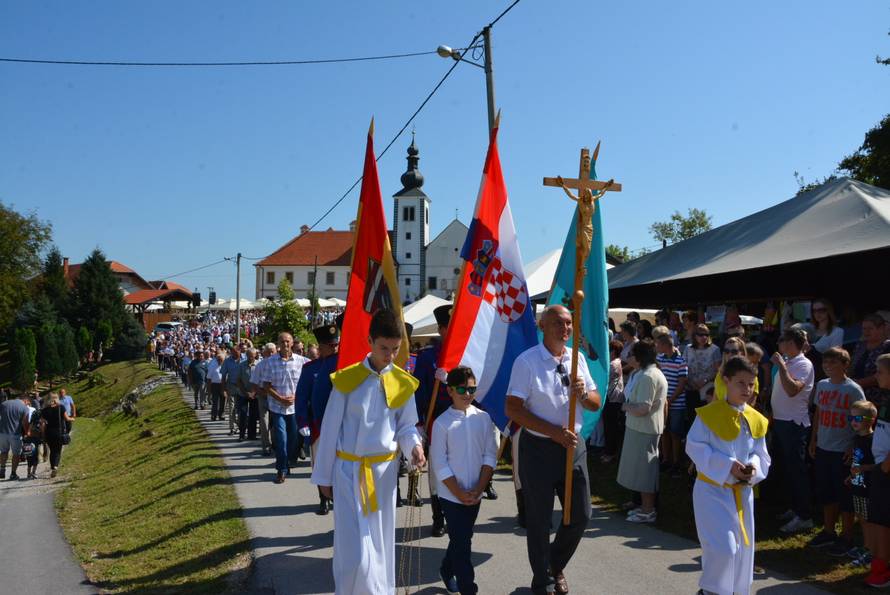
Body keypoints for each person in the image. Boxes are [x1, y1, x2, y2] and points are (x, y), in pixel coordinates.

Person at [310, 309, 425, 595]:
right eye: (383, 348)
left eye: (395, 349)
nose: (389, 355)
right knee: (355, 550)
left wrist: (415, 448)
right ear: (370, 341)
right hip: (349, 473)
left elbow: (407, 426)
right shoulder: (348, 380)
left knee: (381, 542)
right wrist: (324, 476)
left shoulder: (402, 383)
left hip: (384, 476)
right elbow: (330, 429)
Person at [505, 304, 601, 595]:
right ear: (542, 326)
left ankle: (553, 565)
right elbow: (513, 408)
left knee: (581, 514)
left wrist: (583, 394)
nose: (565, 329)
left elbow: (596, 401)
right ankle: (543, 581)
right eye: (558, 323)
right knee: (539, 519)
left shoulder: (577, 359)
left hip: (573, 446)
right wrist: (553, 432)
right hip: (538, 448)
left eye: (569, 323)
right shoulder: (527, 362)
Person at [686, 356, 771, 595]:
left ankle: (733, 591)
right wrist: (727, 465)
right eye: (741, 383)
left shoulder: (755, 419)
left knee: (743, 550)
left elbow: (760, 453)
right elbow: (694, 446)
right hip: (712, 491)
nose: (747, 389)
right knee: (724, 548)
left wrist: (752, 467)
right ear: (726, 381)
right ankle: (710, 591)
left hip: (742, 493)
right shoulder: (709, 414)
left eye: (751, 384)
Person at [430, 366, 498, 595]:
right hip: (451, 495)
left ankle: (446, 570)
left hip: (475, 492)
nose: (467, 394)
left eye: (472, 389)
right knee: (463, 544)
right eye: (462, 389)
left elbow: (490, 454)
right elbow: (439, 463)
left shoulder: (484, 418)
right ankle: (469, 589)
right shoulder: (441, 423)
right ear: (450, 390)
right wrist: (458, 492)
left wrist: (479, 488)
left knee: (462, 538)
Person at [806, 347, 864, 554]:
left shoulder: (853, 389)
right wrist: (814, 439)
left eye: (834, 363)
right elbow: (819, 414)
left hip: (844, 449)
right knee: (826, 490)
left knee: (845, 494)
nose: (828, 367)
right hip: (824, 446)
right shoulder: (822, 385)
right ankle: (828, 531)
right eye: (825, 363)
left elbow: (862, 419)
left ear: (845, 364)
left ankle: (847, 536)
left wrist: (854, 445)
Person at [770, 327, 816, 534]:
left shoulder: (804, 364)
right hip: (781, 421)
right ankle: (795, 508)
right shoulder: (790, 363)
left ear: (789, 343)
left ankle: (804, 515)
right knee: (787, 469)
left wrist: (780, 365)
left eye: (782, 340)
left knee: (797, 470)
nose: (778, 344)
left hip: (793, 424)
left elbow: (792, 390)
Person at [617, 340, 668, 524]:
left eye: (631, 354)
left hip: (645, 429)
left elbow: (644, 408)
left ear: (639, 358)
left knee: (645, 471)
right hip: (640, 428)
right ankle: (643, 506)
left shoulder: (648, 376)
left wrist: (623, 406)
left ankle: (648, 511)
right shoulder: (642, 373)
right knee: (639, 470)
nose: (628, 357)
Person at [297, 323, 340, 515]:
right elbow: (301, 397)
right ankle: (323, 499)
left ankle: (337, 495)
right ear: (320, 347)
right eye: (329, 346)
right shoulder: (310, 368)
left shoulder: (342, 364)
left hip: (340, 425)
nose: (333, 349)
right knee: (321, 462)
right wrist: (303, 422)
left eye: (335, 345)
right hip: (318, 425)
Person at [261, 332, 305, 484]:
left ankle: (288, 462)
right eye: (282, 341)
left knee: (293, 440)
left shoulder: (301, 361)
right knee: (281, 439)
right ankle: (281, 470)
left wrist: (296, 396)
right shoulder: (270, 362)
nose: (285, 344)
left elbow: (305, 384)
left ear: (292, 343)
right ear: (278, 343)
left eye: (287, 341)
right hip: (277, 407)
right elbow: (266, 385)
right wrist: (279, 397)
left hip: (294, 407)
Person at [865, 354, 890, 587]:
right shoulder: (886, 398)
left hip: (886, 470)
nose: (876, 375)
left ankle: (882, 573)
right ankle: (878, 564)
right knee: (878, 519)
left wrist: (885, 466)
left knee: (883, 522)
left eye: (880, 372)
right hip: (880, 467)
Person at [847, 400, 878, 568]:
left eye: (858, 418)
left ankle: (872, 550)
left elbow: (878, 465)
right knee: (861, 518)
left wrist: (863, 469)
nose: (853, 422)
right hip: (857, 485)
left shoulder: (874, 440)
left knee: (869, 520)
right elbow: (856, 461)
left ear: (871, 419)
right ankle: (866, 546)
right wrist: (851, 476)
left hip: (870, 488)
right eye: (851, 418)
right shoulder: (856, 439)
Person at [656, 333, 688, 477]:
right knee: (664, 431)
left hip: (676, 404)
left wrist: (669, 400)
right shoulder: (659, 359)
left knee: (675, 433)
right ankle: (665, 459)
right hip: (663, 403)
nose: (657, 347)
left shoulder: (681, 361)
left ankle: (676, 462)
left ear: (665, 345)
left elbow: (681, 385)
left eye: (658, 344)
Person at [683, 324, 722, 415]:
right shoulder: (688, 348)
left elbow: (718, 371)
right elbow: (684, 367)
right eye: (700, 335)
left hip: (707, 389)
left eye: (706, 335)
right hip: (691, 387)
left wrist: (704, 381)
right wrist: (690, 382)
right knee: (691, 416)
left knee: (706, 415)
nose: (704, 337)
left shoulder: (715, 349)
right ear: (694, 335)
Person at [851, 314, 890, 403]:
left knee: (869, 417)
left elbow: (885, 374)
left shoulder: (888, 346)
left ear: (881, 328)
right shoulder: (860, 345)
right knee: (855, 417)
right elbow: (852, 365)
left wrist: (857, 384)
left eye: (870, 328)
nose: (866, 332)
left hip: (879, 399)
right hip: (857, 396)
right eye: (864, 328)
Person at [600, 339, 626, 463]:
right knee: (610, 426)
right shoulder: (617, 362)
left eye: (609, 350)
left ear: (614, 351)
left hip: (612, 399)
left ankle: (611, 453)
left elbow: (604, 377)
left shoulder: (613, 364)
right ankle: (609, 451)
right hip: (613, 398)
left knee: (611, 427)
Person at [251, 343, 277, 456]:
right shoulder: (260, 365)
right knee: (264, 421)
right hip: (263, 396)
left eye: (273, 351)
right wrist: (261, 393)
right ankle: (266, 446)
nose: (271, 354)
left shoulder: (278, 363)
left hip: (276, 396)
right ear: (264, 353)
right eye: (269, 352)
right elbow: (254, 383)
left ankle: (276, 444)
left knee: (276, 422)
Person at [0, 392, 32, 480]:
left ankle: (2, 469)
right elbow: (25, 423)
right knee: (16, 454)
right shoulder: (24, 408)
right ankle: (13, 473)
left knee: (3, 452)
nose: (28, 405)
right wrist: (27, 433)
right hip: (15, 434)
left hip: (2, 433)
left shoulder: (4, 403)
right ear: (25, 400)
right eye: (28, 403)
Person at [40, 393, 72, 478]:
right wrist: (72, 418)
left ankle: (52, 466)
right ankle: (55, 467)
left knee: (52, 450)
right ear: (56, 399)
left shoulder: (44, 410)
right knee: (57, 451)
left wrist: (43, 435)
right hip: (59, 432)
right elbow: (67, 419)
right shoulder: (61, 407)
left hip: (49, 433)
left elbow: (42, 425)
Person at [236, 348, 259, 442]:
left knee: (253, 415)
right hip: (243, 394)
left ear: (255, 355)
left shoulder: (259, 365)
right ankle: (241, 434)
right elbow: (239, 380)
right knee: (243, 414)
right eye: (248, 355)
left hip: (255, 394)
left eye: (252, 355)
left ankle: (252, 435)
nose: (250, 357)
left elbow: (260, 380)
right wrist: (245, 392)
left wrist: (254, 392)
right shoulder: (241, 365)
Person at [221, 345, 243, 436]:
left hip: (243, 387)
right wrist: (223, 389)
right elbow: (223, 376)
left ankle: (242, 426)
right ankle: (232, 428)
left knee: (242, 409)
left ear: (239, 351)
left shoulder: (244, 359)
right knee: (232, 408)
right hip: (232, 386)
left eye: (235, 352)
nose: (233, 353)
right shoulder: (227, 361)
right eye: (232, 352)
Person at [207, 350, 225, 422]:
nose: (220, 361)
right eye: (219, 360)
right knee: (215, 401)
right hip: (215, 385)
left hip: (223, 385)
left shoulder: (224, 366)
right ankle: (214, 415)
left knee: (223, 401)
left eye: (222, 360)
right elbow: (209, 378)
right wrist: (209, 389)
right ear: (217, 360)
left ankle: (221, 415)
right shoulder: (213, 366)